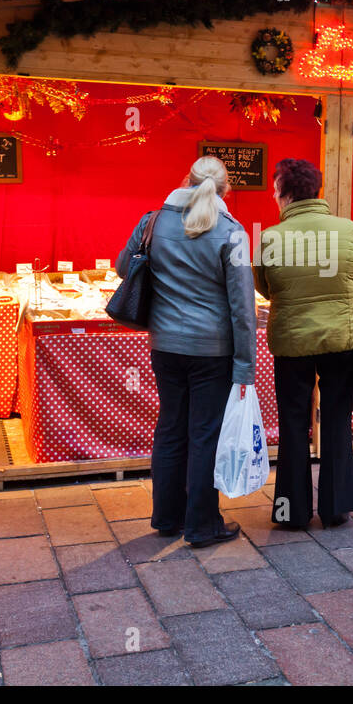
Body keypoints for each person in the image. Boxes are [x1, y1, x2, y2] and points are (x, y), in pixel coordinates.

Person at [117, 155, 255, 548]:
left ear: (186, 179)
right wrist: (246, 368)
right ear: (226, 189)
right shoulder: (232, 232)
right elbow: (242, 307)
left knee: (171, 426)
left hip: (164, 344)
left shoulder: (153, 222)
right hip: (212, 350)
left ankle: (166, 517)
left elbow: (122, 266)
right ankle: (201, 524)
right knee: (205, 433)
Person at [254, 158, 353, 529]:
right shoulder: (348, 229)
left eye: (275, 191)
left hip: (292, 341)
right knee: (337, 419)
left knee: (293, 423)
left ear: (286, 194)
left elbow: (265, 287)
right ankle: (336, 507)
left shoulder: (269, 237)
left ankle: (291, 512)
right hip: (342, 337)